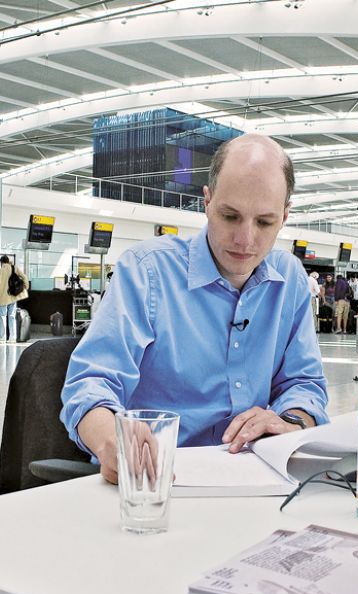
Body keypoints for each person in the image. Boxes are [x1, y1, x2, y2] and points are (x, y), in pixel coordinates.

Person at [61, 134, 329, 484]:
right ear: (207, 200)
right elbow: (91, 383)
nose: (245, 239)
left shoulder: (289, 279)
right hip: (163, 480)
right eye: (230, 216)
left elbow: (305, 384)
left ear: (285, 216)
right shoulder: (147, 272)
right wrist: (109, 437)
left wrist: (290, 420)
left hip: (256, 479)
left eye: (264, 222)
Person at [0, 254, 29, 343]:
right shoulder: (14, 268)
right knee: (12, 317)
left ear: (1, 262)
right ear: (8, 261)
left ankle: (3, 338)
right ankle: (12, 338)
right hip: (13, 297)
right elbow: (24, 277)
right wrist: (25, 287)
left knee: (2, 317)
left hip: (2, 298)